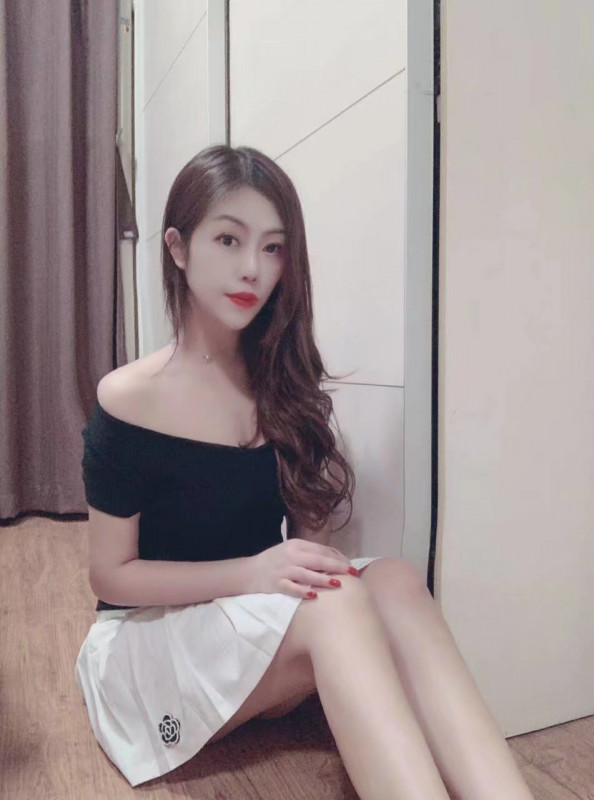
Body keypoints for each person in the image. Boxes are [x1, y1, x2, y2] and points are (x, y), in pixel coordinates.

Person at [75, 145, 535, 800]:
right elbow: (111, 576)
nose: (252, 268)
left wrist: (284, 572)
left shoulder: (284, 384)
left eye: (273, 248)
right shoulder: (129, 398)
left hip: (253, 628)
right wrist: (252, 572)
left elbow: (309, 553)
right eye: (229, 239)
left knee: (395, 579)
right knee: (338, 598)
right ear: (177, 248)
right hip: (152, 640)